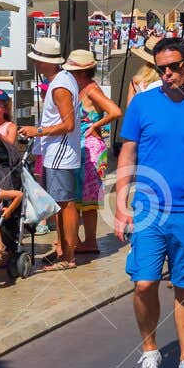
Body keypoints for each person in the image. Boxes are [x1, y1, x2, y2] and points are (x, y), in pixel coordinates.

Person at [115, 37, 184, 368]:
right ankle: (150, 350)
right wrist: (119, 205)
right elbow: (128, 153)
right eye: (161, 68)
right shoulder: (142, 104)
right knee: (144, 283)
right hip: (148, 209)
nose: (167, 74)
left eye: (174, 67)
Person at [20, 38, 82, 270]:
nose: (34, 63)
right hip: (60, 151)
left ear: (46, 62)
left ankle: (68, 256)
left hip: (59, 152)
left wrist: (37, 131)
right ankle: (63, 250)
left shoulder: (60, 87)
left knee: (64, 203)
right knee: (62, 203)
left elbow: (68, 124)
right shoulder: (65, 80)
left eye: (37, 60)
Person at [68, 48, 123, 256]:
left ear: (82, 72)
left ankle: (90, 241)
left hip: (91, 147)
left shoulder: (91, 89)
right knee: (77, 195)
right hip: (79, 146)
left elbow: (115, 111)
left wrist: (94, 125)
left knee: (89, 198)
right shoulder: (79, 89)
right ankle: (79, 240)